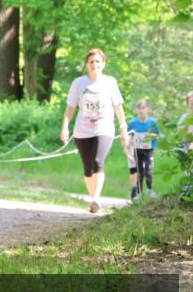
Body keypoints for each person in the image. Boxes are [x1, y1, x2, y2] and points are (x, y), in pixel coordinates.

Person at [60, 48, 130, 214]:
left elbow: (118, 106)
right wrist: (65, 126)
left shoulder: (110, 82)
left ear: (103, 64)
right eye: (91, 62)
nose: (94, 65)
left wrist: (123, 127)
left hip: (104, 128)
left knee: (98, 162)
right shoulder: (79, 83)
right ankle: (93, 199)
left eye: (98, 61)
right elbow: (70, 107)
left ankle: (95, 199)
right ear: (87, 65)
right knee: (87, 166)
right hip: (82, 130)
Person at [125, 99, 160, 199]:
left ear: (148, 109)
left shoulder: (153, 122)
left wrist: (152, 136)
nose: (141, 110)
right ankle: (139, 193)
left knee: (148, 171)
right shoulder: (133, 123)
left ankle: (150, 190)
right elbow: (129, 137)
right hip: (138, 151)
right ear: (136, 110)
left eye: (143, 108)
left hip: (149, 150)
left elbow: (158, 135)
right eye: (139, 108)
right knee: (139, 172)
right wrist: (131, 141)